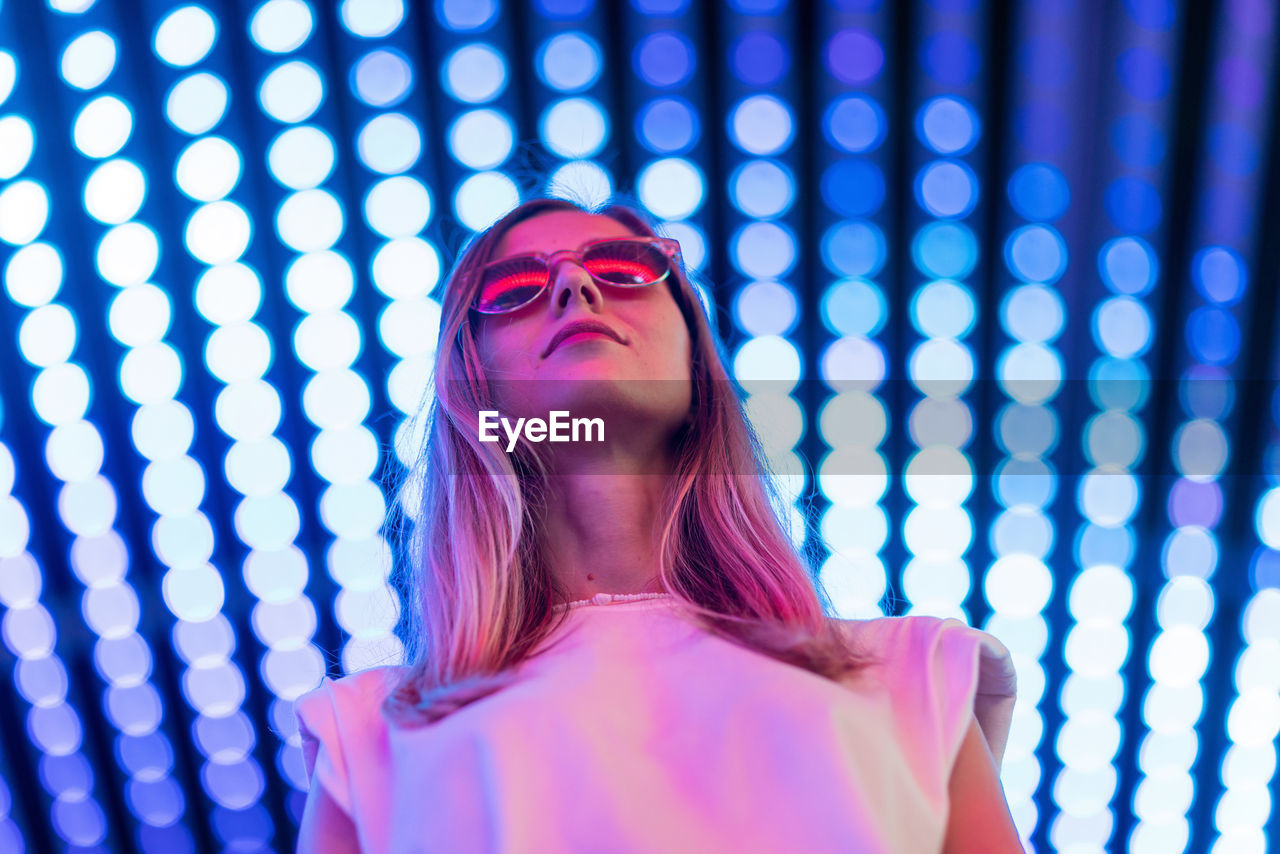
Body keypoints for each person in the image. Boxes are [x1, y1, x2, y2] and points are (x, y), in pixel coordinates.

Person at [294, 196, 1023, 853]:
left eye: (624, 267)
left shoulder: (909, 676)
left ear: (695, 360)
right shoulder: (373, 738)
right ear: (470, 386)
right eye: (514, 286)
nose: (574, 287)